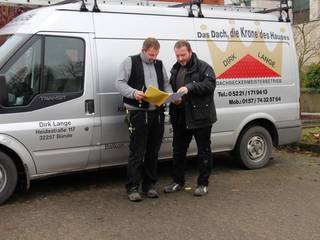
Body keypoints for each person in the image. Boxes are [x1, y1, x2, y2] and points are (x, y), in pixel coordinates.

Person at [116, 38, 171, 202]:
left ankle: (149, 186)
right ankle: (132, 187)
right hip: (138, 113)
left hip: (157, 113)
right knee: (137, 152)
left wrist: (170, 95)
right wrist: (134, 93)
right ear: (143, 50)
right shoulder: (129, 61)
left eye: (156, 55)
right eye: (151, 55)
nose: (153, 58)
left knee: (153, 152)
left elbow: (166, 85)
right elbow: (119, 83)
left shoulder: (159, 64)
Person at [164, 40, 217, 197]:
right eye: (177, 55)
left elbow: (210, 85)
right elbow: (173, 89)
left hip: (201, 117)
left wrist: (190, 87)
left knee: (204, 152)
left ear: (190, 51)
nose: (180, 58)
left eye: (183, 55)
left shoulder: (203, 67)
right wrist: (173, 98)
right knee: (178, 151)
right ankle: (177, 182)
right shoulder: (175, 69)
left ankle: (203, 184)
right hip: (180, 116)